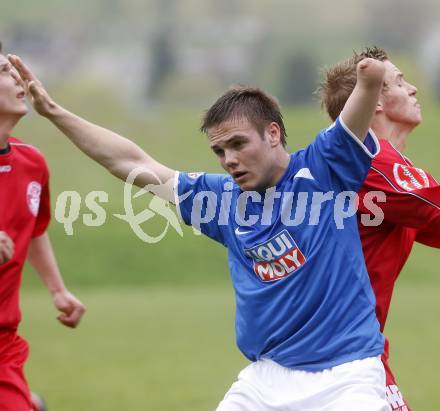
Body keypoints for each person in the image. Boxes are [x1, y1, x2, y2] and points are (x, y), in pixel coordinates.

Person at [9, 52, 391, 410]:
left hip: (348, 375)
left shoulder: (323, 170)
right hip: (266, 378)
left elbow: (352, 119)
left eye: (239, 144)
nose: (229, 160)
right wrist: (54, 112)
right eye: (220, 151)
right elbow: (130, 161)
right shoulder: (220, 200)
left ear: (273, 134)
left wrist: (370, 81)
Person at [319, 46, 440, 411]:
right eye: (400, 82)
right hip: (342, 356)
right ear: (376, 103)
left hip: (348, 348)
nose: (413, 89)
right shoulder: (374, 163)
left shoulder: (381, 167)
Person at [0, 42, 86, 411]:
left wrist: (57, 290)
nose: (17, 76)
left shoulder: (31, 163)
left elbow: (32, 228)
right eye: (4, 71)